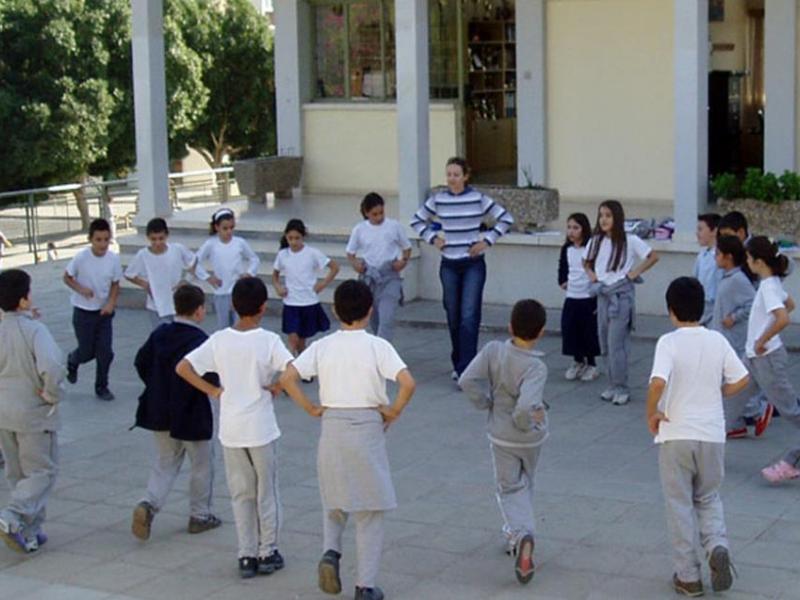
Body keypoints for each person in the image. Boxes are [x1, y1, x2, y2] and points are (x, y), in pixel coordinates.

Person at [280, 280, 416, 600]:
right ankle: (364, 586)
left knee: (334, 500)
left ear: (334, 310)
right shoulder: (377, 346)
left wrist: (311, 407)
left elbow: (287, 378)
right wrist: (393, 412)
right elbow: (408, 383)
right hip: (367, 426)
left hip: (332, 426)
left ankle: (331, 552)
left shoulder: (323, 346)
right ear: (370, 311)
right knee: (370, 510)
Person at [176, 277, 292, 578]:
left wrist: (213, 391)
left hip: (231, 429)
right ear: (263, 307)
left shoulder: (219, 339)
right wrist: (278, 385)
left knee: (241, 493)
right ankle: (269, 550)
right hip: (262, 428)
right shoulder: (268, 341)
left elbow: (183, 367)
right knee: (267, 491)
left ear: (233, 305)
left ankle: (246, 554)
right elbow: (293, 369)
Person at [646, 277, 749, 597]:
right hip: (712, 434)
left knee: (679, 504)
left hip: (676, 433)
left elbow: (657, 383)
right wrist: (718, 391)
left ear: (671, 311)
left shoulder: (669, 342)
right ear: (702, 308)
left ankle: (688, 575)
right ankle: (717, 544)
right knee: (708, 497)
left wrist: (652, 413)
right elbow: (742, 378)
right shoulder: (717, 340)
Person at [458, 299, 549, 585]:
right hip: (531, 438)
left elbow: (466, 380)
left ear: (510, 326)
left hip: (500, 433)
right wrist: (527, 423)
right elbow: (526, 408)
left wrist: (485, 403)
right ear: (541, 332)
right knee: (526, 482)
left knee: (508, 487)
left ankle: (520, 534)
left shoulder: (493, 351)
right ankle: (517, 532)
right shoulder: (535, 367)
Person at [131, 284, 221, 541]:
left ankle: (149, 503)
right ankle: (200, 515)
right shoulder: (201, 341)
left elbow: (141, 361)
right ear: (199, 311)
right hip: (192, 412)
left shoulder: (160, 333)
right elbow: (213, 377)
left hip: (160, 410)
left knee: (165, 462)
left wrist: (156, 385)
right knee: (201, 465)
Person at [410, 157, 514, 380]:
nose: (452, 179)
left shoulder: (478, 198)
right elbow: (417, 220)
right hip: (449, 263)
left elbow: (506, 218)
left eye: (456, 175)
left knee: (469, 314)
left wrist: (486, 241)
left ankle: (466, 367)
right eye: (449, 174)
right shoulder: (439, 200)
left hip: (472, 264)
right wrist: (433, 239)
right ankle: (459, 361)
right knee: (453, 314)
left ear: (465, 176)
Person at [0, 269, 65, 553]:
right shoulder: (35, 330)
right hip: (33, 412)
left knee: (17, 471)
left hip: (4, 412)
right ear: (24, 299)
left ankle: (30, 530)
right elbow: (51, 366)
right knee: (42, 472)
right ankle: (12, 515)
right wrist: (52, 394)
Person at [584, 200, 659, 405]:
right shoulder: (596, 240)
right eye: (601, 215)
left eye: (608, 215)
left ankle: (621, 386)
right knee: (604, 341)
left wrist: (633, 273)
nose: (604, 219)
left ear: (617, 217)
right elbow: (586, 261)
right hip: (602, 294)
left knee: (617, 343)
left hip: (620, 295)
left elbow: (652, 256)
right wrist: (592, 275)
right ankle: (611, 383)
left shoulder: (630, 240)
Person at [743, 237, 800, 483]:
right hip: (756, 358)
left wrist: (761, 339)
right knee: (733, 395)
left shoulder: (767, 286)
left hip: (765, 358)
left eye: (748, 258)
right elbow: (790, 305)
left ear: (758, 262)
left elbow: (783, 318)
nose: (746, 262)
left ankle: (792, 462)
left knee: (790, 410)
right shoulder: (772, 282)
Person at [711, 236, 773, 439]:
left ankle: (758, 410)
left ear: (728, 257)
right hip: (722, 338)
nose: (715, 257)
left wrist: (734, 317)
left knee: (737, 384)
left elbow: (752, 303)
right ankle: (735, 424)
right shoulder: (728, 277)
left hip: (733, 340)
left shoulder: (738, 280)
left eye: (718, 253)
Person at [63, 218, 122, 401]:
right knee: (87, 351)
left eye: (106, 239)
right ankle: (73, 360)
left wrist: (111, 302)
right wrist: (81, 289)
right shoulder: (81, 258)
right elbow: (67, 277)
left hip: (104, 312)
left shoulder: (113, 259)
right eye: (98, 239)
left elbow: (115, 283)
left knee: (105, 352)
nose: (102, 244)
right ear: (91, 239)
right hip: (83, 311)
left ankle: (101, 386)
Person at [346, 192, 412, 341]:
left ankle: (383, 351)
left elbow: (406, 247)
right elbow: (350, 253)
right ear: (366, 213)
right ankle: (379, 348)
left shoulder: (394, 226)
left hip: (389, 276)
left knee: (386, 318)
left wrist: (403, 261)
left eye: (381, 213)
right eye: (374, 214)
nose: (379, 217)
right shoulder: (360, 229)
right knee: (374, 319)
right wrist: (356, 265)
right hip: (369, 277)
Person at [272, 219, 339, 357]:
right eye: (290, 238)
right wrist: (278, 287)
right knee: (293, 337)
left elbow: (334, 267)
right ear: (286, 237)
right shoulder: (283, 255)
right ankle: (290, 362)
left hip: (308, 301)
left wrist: (323, 283)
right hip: (291, 301)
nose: (294, 242)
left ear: (303, 237)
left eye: (297, 238)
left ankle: (302, 363)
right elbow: (275, 275)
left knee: (302, 339)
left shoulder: (312, 253)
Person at [125, 218, 207, 329]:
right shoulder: (143, 255)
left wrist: (187, 279)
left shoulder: (177, 249)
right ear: (148, 237)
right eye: (153, 239)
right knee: (161, 336)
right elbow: (129, 274)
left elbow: (193, 261)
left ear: (167, 236)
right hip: (156, 305)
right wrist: (146, 285)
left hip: (178, 303)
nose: (157, 243)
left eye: (161, 238)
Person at [195, 208, 260, 330]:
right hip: (221, 291)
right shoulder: (211, 244)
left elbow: (254, 259)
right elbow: (194, 261)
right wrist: (207, 277)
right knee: (223, 326)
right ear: (217, 227)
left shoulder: (239, 242)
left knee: (239, 324)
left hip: (238, 291)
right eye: (225, 228)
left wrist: (249, 273)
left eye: (231, 228)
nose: (229, 231)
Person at [558, 213, 600, 381]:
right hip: (572, 295)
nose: (572, 231)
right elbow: (562, 268)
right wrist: (563, 282)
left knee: (588, 332)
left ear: (584, 229)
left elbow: (596, 270)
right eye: (569, 227)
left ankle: (591, 364)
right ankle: (577, 361)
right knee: (570, 329)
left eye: (576, 228)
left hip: (587, 297)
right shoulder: (566, 249)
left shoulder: (590, 249)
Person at [694, 213, 722, 325]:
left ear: (714, 231)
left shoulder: (721, 257)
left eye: (701, 229)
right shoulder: (702, 255)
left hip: (715, 306)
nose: (697, 233)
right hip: (702, 305)